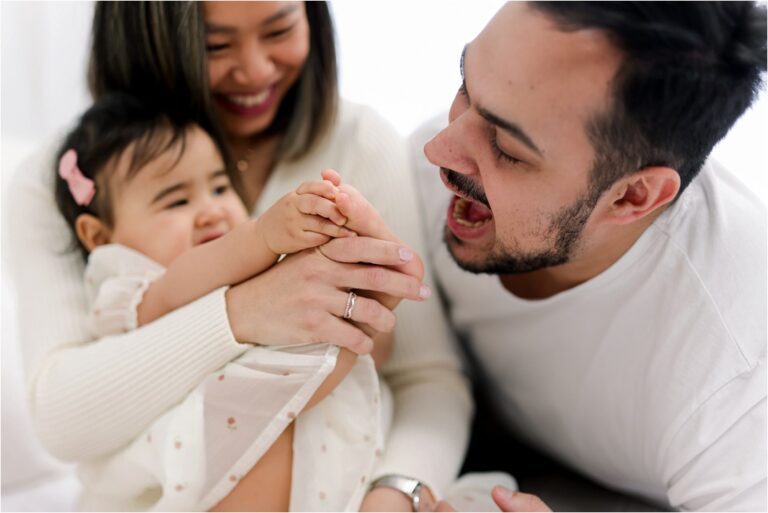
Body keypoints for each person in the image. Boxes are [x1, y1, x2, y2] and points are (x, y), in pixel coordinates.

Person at [4, 2, 472, 511]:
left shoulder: (359, 143)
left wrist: (397, 494)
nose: (255, 71)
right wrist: (246, 308)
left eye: (279, 29)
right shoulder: (79, 182)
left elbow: (421, 375)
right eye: (216, 45)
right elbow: (63, 418)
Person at [411, 2, 767, 511]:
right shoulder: (430, 174)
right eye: (466, 85)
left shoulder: (736, 372)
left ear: (632, 198)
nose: (437, 151)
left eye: (508, 149)